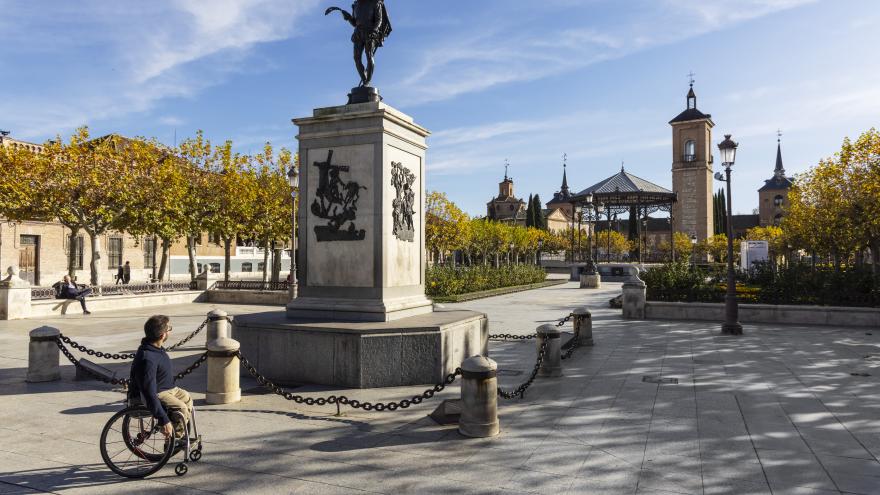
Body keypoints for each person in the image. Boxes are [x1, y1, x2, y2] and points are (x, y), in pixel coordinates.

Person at [129, 315, 192, 439]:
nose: (170, 331)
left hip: (169, 389)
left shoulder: (156, 349)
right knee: (182, 408)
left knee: (187, 398)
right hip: (158, 393)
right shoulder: (147, 358)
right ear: (163, 335)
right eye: (169, 328)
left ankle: (178, 429)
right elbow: (149, 391)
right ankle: (174, 439)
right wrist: (163, 418)